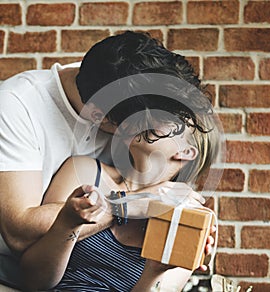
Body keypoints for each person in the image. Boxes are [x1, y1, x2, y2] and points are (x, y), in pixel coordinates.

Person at [0, 31, 216, 289]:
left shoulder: (127, 87)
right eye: (147, 125)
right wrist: (125, 205)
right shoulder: (18, 105)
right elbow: (18, 236)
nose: (161, 127)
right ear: (99, 118)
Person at [20, 88, 220, 291]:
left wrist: (155, 270)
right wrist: (69, 223)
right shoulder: (85, 172)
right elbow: (35, 280)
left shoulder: (190, 218)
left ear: (184, 151)